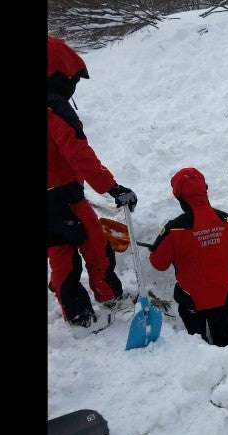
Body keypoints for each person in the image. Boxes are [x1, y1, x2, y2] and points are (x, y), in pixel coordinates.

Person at [47, 36, 138, 328]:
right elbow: (78, 153)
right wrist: (112, 188)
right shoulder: (54, 107)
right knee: (94, 245)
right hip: (63, 194)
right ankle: (105, 298)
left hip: (55, 196)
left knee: (61, 253)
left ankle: (78, 315)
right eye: (73, 79)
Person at [148, 167, 228, 346]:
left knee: (197, 344)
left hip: (191, 299)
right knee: (224, 341)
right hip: (222, 294)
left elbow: (158, 264)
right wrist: (218, 259)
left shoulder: (175, 229)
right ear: (205, 190)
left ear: (179, 197)